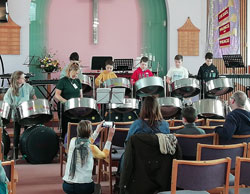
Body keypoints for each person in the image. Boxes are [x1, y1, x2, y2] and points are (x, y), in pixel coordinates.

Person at [62, 120, 115, 194]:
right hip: (84, 187)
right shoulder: (92, 148)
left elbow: (85, 142)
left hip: (67, 186)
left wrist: (97, 131)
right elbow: (104, 155)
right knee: (97, 188)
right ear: (90, 132)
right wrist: (109, 138)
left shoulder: (73, 141)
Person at [3, 71, 37, 159]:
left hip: (27, 113)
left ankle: (27, 151)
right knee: (16, 133)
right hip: (17, 114)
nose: (24, 79)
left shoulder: (28, 87)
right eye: (22, 78)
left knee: (27, 132)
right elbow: (7, 102)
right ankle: (15, 153)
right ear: (18, 80)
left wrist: (35, 106)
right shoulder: (11, 90)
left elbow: (34, 97)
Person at [55, 62, 83, 139]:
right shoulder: (63, 81)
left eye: (77, 74)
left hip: (76, 107)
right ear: (69, 71)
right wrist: (67, 102)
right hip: (65, 107)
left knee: (77, 126)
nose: (76, 75)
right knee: (66, 127)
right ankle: (65, 142)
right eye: (74, 73)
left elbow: (80, 95)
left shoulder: (77, 81)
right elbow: (57, 95)